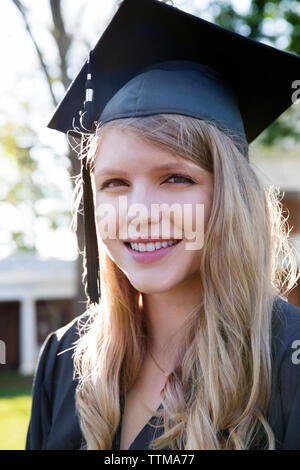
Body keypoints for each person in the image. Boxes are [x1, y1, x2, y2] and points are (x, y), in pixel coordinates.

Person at [26, 0, 300, 450]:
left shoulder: (287, 362)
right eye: (114, 182)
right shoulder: (64, 358)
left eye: (176, 178)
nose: (139, 211)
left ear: (232, 196)